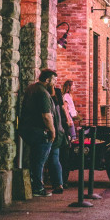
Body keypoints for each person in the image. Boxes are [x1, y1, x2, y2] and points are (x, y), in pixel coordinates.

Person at [19, 68, 57, 197]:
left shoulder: (32, 88)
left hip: (27, 129)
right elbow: (46, 115)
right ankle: (38, 188)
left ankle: (33, 185)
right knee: (39, 161)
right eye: (54, 81)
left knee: (34, 159)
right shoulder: (43, 93)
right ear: (47, 80)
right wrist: (53, 132)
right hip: (40, 131)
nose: (55, 84)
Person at [46, 81, 67, 194]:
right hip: (60, 129)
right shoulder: (57, 96)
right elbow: (62, 111)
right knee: (55, 157)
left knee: (50, 158)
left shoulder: (47, 97)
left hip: (53, 130)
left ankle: (56, 183)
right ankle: (59, 183)